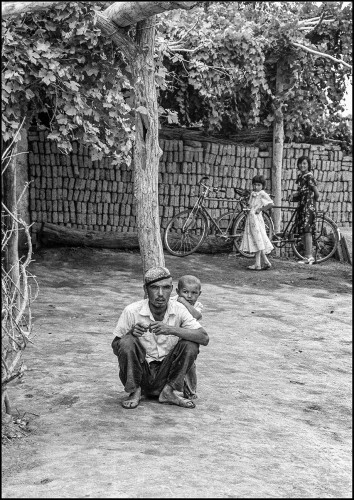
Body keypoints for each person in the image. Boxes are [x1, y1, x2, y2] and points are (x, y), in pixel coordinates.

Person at [111, 266, 209, 410]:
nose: (161, 294)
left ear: (172, 289)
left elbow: (204, 337)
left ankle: (168, 392)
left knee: (191, 344)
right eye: (155, 288)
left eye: (166, 288)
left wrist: (172, 330)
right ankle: (135, 391)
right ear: (146, 289)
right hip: (141, 374)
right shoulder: (132, 311)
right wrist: (131, 334)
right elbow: (115, 347)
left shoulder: (179, 309)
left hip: (167, 375)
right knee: (126, 341)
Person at [170, 275, 203, 400]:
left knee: (190, 365)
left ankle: (190, 390)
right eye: (185, 292)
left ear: (199, 294)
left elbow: (196, 315)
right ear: (178, 292)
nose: (189, 296)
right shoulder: (171, 300)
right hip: (170, 338)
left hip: (185, 340)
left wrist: (183, 302)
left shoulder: (197, 306)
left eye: (194, 293)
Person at [239, 174, 274, 271]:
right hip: (251, 218)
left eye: (258, 185)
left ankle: (258, 264)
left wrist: (261, 209)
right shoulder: (252, 193)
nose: (256, 187)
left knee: (258, 239)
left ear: (262, 186)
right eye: (254, 185)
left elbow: (271, 203)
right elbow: (250, 204)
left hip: (257, 219)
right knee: (256, 240)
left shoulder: (262, 194)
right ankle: (265, 262)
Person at [291, 156, 320, 265]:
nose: (302, 165)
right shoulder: (301, 176)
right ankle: (307, 256)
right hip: (302, 205)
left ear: (308, 165)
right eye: (300, 163)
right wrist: (295, 195)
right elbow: (301, 191)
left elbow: (316, 193)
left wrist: (312, 203)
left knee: (307, 230)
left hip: (308, 206)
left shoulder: (309, 176)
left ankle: (309, 257)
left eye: (304, 163)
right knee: (303, 231)